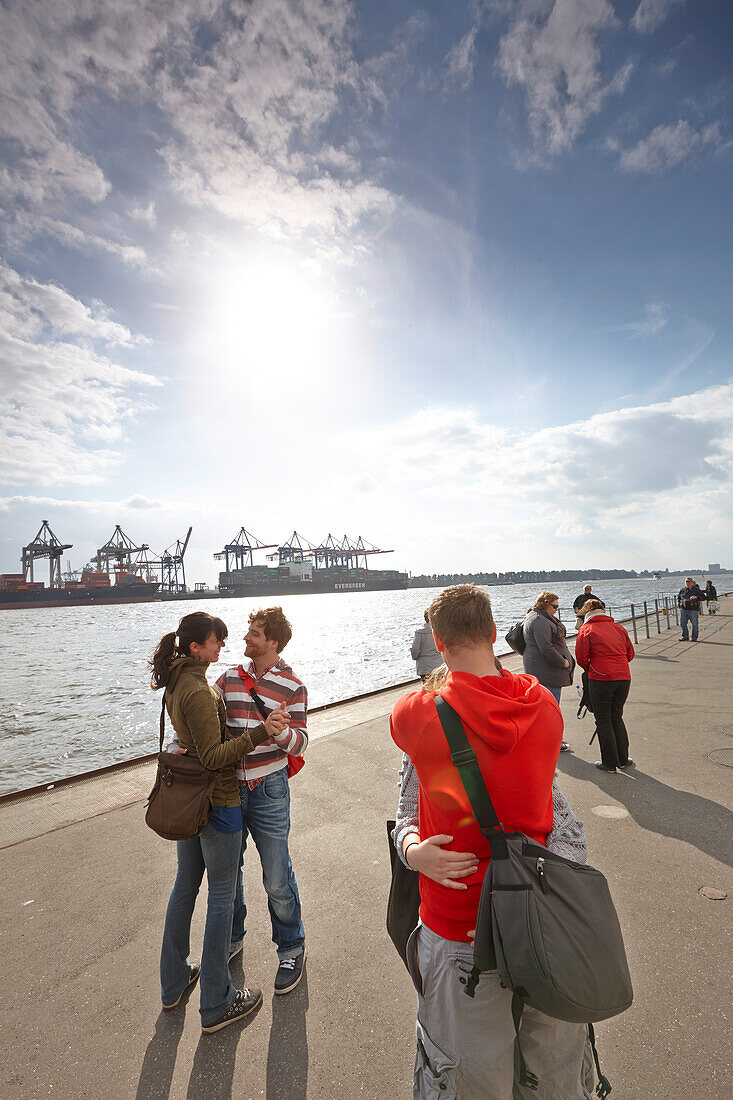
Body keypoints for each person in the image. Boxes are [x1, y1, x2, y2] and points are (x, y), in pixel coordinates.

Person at [390, 584, 593, 1098]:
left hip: (461, 925)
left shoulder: (417, 714)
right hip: (541, 917)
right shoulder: (543, 705)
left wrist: (412, 849)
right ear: (497, 632)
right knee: (551, 1074)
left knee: (465, 1075)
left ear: (438, 641)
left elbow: (412, 765)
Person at [151, 611, 290, 1032]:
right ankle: (217, 1001)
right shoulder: (196, 689)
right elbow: (213, 757)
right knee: (221, 898)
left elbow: (191, 741)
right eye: (216, 641)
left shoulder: (179, 680)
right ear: (196, 647)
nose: (221, 646)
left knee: (184, 888)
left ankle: (174, 982)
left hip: (191, 798)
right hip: (218, 800)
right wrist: (260, 733)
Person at [215, 607, 308, 994]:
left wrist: (281, 734)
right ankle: (234, 938)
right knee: (228, 873)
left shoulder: (292, 685)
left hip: (269, 787)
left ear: (273, 641)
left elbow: (301, 742)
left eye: (254, 633)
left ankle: (291, 946)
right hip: (229, 789)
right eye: (249, 631)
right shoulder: (227, 679)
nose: (246, 638)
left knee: (275, 874)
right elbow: (207, 726)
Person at [575, 600, 635, 773]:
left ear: (587, 613)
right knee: (617, 717)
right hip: (623, 677)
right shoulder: (619, 628)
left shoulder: (586, 629)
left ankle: (609, 763)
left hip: (600, 678)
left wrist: (592, 668)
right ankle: (623, 759)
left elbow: (581, 658)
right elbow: (630, 653)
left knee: (603, 720)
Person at [523, 592, 575, 751]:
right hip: (547, 671)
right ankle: (552, 743)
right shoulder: (539, 621)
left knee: (546, 709)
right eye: (554, 606)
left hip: (544, 669)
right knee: (551, 710)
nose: (556, 610)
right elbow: (546, 647)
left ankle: (546, 741)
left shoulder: (538, 617)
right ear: (545, 604)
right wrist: (564, 662)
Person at [411, 609, 444, 680]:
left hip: (424, 667)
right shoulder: (441, 630)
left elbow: (415, 650)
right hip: (440, 665)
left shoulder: (419, 632)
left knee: (427, 688)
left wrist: (415, 657)